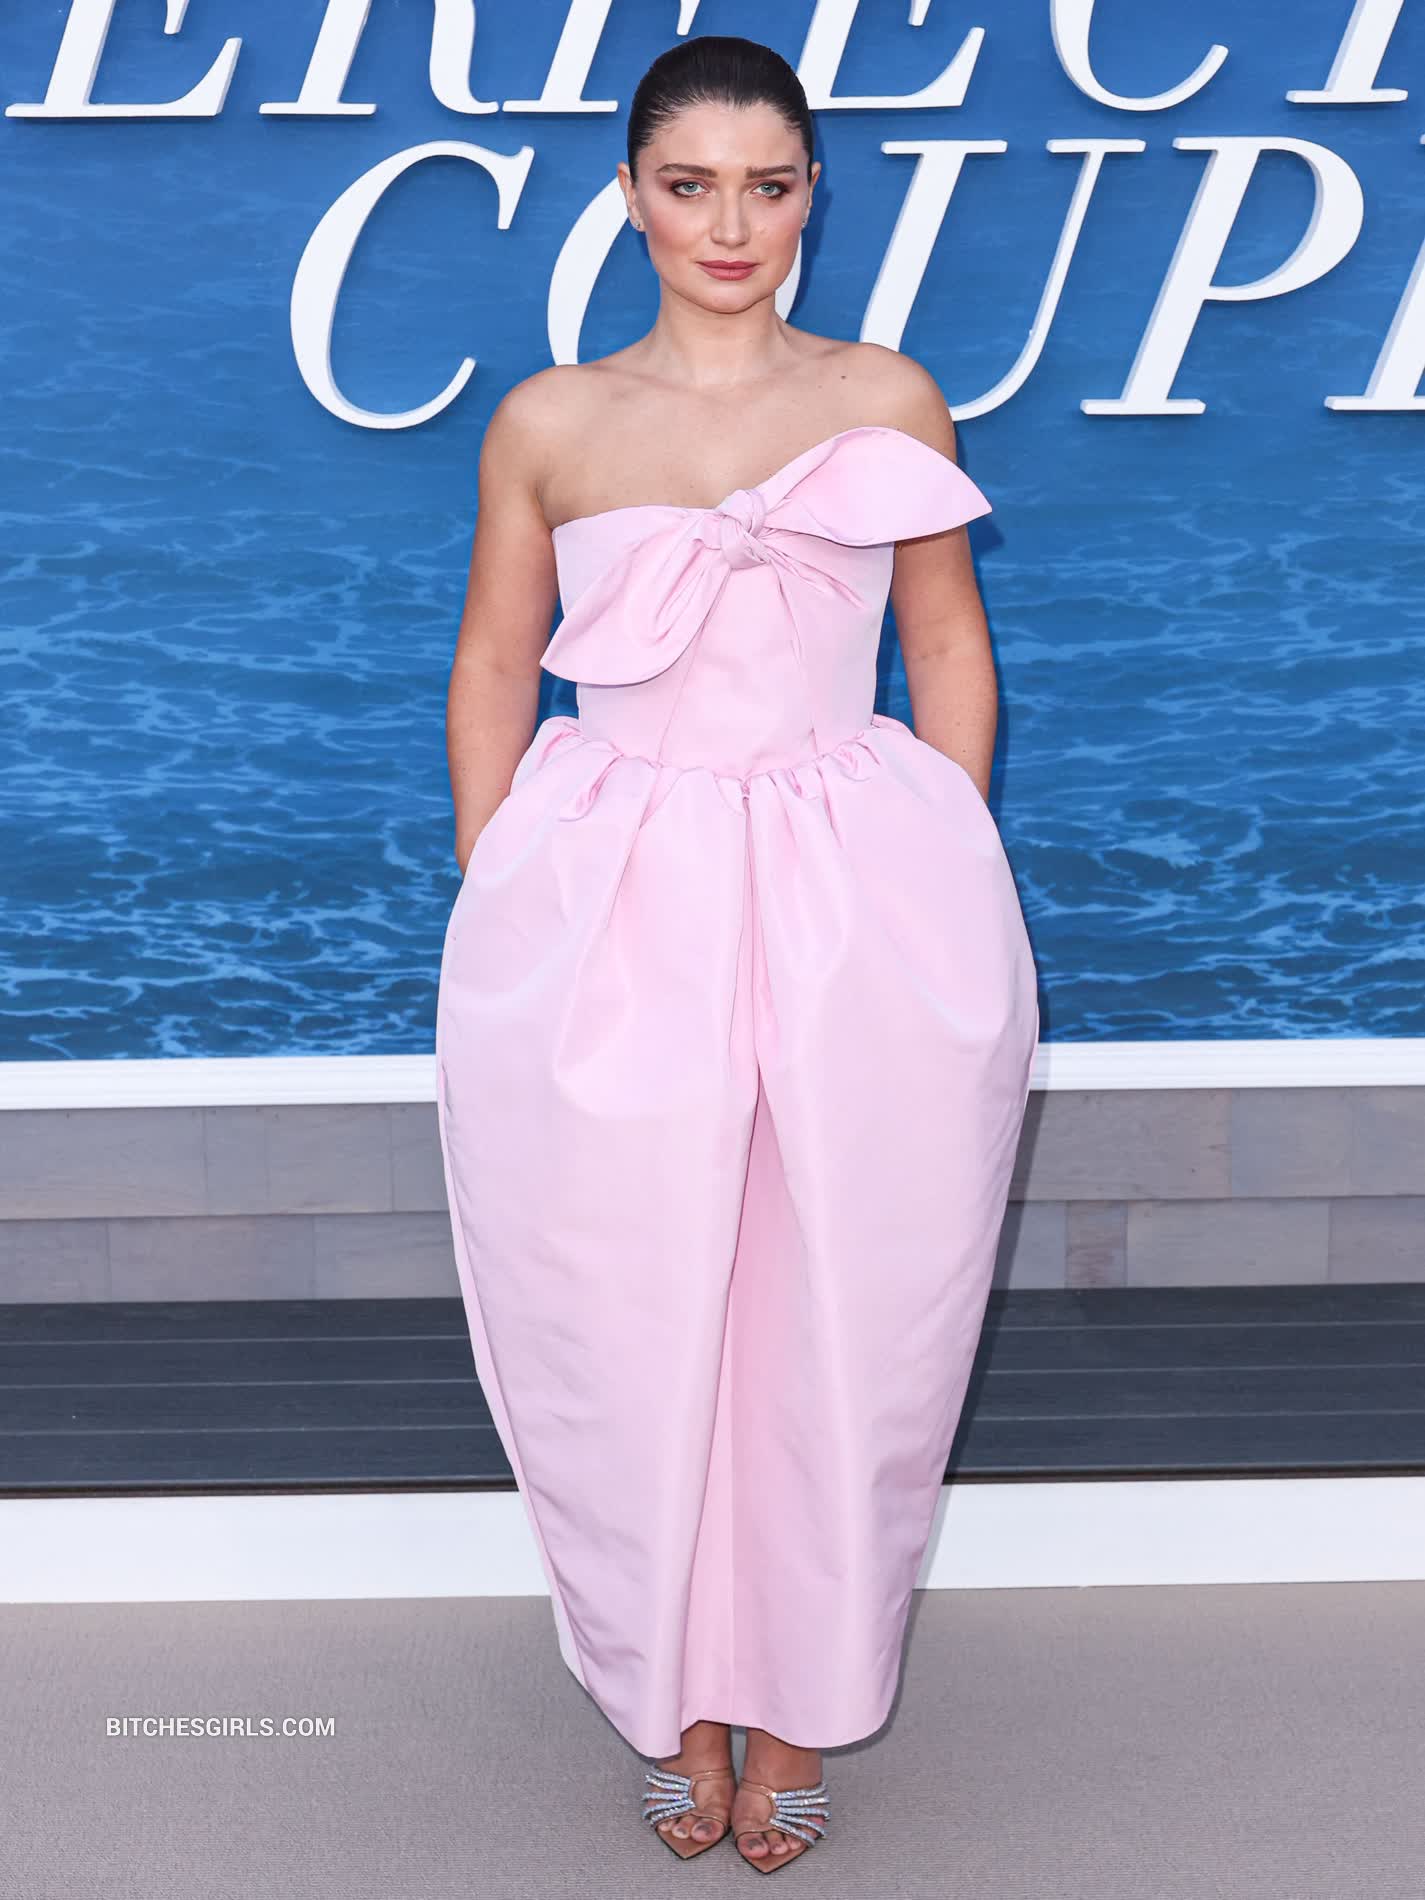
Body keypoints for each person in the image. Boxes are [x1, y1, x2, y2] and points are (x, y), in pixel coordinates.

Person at [434, 33, 1039, 1875]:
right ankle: (671, 1704)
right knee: (628, 1306)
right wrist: (501, 886)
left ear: (809, 198)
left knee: (846, 1301)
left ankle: (792, 1715)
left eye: (766, 186)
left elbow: (944, 642)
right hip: (619, 898)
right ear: (631, 195)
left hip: (850, 896)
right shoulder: (551, 420)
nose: (729, 222)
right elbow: (493, 662)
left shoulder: (885, 396)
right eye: (689, 185)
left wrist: (943, 863)